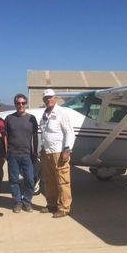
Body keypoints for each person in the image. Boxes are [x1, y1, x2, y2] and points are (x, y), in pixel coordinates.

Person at [39, 89, 75, 218]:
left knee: (63, 181)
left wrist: (67, 149)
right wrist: (42, 149)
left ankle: (64, 208)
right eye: (46, 98)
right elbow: (45, 135)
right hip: (47, 152)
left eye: (50, 97)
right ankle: (51, 204)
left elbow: (69, 132)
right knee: (49, 181)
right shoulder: (45, 115)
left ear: (55, 98)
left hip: (59, 152)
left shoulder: (61, 112)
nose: (48, 99)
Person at [5, 94, 39, 213]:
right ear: (15, 104)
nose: (21, 105)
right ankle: (17, 202)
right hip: (13, 154)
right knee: (14, 180)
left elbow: (35, 137)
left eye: (23, 103)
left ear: (26, 104)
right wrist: (6, 152)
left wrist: (35, 152)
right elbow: (5, 137)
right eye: (18, 103)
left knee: (29, 179)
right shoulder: (9, 118)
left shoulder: (32, 118)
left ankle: (27, 201)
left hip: (27, 155)